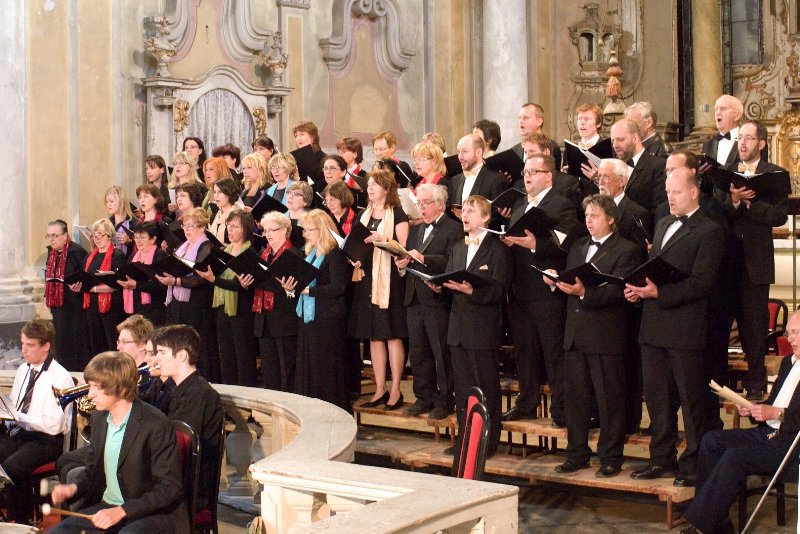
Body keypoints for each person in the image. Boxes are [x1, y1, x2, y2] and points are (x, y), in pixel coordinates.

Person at [624, 167, 725, 487]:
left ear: (694, 193)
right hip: (653, 326)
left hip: (685, 329)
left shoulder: (709, 230)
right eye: (668, 192)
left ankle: (694, 464)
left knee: (691, 402)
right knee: (657, 400)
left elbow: (702, 284)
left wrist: (659, 293)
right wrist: (638, 289)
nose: (670, 197)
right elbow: (655, 270)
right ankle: (661, 459)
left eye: (676, 192)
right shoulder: (663, 223)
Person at [680, 311, 800, 534]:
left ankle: (701, 526)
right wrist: (753, 409)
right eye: (788, 333)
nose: (789, 339)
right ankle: (717, 524)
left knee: (734, 457)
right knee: (711, 441)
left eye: (795, 333)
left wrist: (775, 413)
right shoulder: (788, 363)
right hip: (766, 433)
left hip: (789, 444)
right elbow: (773, 404)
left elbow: (785, 413)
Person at [547, 195, 639, 477]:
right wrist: (555, 281)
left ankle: (611, 456)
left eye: (595, 216)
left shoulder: (627, 250)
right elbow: (571, 283)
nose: (588, 221)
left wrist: (584, 292)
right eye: (586, 215)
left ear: (611, 219)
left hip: (605, 336)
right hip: (575, 335)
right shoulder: (578, 247)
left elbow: (619, 292)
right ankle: (576, 453)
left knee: (609, 401)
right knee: (575, 401)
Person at [49, 351, 189, 533]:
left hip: (151, 513)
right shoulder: (99, 418)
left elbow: (169, 488)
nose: (90, 394)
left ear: (121, 389)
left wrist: (122, 510)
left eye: (97, 387)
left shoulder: (156, 424)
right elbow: (93, 471)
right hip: (110, 508)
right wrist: (73, 488)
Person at [500, 154, 579, 426]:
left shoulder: (561, 204)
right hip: (520, 290)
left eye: (533, 172)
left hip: (547, 291)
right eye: (525, 172)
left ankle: (561, 409)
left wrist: (535, 245)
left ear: (548, 176)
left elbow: (566, 244)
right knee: (525, 352)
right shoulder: (520, 205)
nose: (527, 177)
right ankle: (527, 403)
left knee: (553, 351)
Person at [431, 195, 511, 455]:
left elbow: (500, 291)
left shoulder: (498, 250)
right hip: (457, 329)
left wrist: (471, 291)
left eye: (471, 211)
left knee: (486, 388)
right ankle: (466, 441)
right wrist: (439, 288)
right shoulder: (458, 247)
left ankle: (488, 441)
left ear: (485, 217)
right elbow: (451, 285)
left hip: (482, 329)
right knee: (463, 390)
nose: (464, 215)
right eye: (463, 210)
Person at [719, 120, 789, 400]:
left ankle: (756, 383)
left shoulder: (774, 174)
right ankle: (720, 382)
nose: (743, 143)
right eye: (740, 138)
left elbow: (779, 215)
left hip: (755, 263)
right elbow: (716, 212)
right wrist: (734, 200)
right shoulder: (726, 173)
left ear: (761, 143)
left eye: (749, 138)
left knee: (754, 326)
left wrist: (749, 203)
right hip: (726, 261)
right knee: (722, 323)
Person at [395, 183, 463, 419]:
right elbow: (409, 257)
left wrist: (424, 258)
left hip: (437, 298)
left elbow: (452, 261)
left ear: (440, 204)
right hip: (414, 297)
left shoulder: (453, 228)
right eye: (419, 204)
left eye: (425, 203)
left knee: (440, 352)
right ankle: (423, 396)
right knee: (418, 351)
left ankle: (445, 399)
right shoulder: (416, 230)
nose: (421, 208)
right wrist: (402, 264)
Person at [0, 319, 73, 523]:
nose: (23, 350)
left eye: (30, 345)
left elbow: (54, 425)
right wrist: (6, 413)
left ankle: (21, 522)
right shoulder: (23, 369)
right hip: (20, 433)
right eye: (22, 344)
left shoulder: (60, 376)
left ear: (46, 346)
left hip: (46, 440)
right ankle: (10, 519)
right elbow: (15, 403)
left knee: (12, 467)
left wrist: (17, 416)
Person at [349, 171, 410, 410]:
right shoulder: (363, 214)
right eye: (369, 185)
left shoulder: (398, 214)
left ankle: (395, 390)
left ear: (386, 188)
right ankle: (380, 388)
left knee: (392, 334)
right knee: (374, 336)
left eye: (375, 185)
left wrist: (382, 238)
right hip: (368, 279)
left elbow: (403, 250)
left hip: (390, 280)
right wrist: (354, 256)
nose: (370, 188)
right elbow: (357, 242)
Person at [152, 324, 224, 515]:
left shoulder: (198, 393)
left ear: (182, 355)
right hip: (174, 478)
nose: (156, 359)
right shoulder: (179, 389)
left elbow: (179, 448)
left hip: (189, 490)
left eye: (162, 352)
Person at [293, 209, 351, 410]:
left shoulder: (334, 253)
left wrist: (308, 290)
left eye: (310, 230)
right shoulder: (310, 254)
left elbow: (338, 287)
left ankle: (331, 410)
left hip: (328, 318)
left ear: (323, 229)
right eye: (305, 230)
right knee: (309, 366)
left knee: (324, 368)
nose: (306, 234)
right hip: (310, 318)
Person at [196, 209, 258, 387]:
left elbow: (240, 285)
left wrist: (213, 280)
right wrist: (210, 276)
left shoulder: (250, 253)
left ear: (245, 229)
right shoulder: (225, 251)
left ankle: (247, 396)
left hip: (241, 311)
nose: (229, 230)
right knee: (226, 356)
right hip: (223, 309)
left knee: (243, 357)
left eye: (235, 227)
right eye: (228, 226)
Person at [157, 207, 219, 383]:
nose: (187, 229)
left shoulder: (207, 246)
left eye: (191, 226)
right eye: (185, 226)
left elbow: (201, 278)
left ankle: (201, 381)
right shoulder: (182, 247)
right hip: (179, 303)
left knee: (196, 345)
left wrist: (176, 281)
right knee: (179, 342)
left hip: (197, 304)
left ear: (202, 227)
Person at [248, 212, 302, 392]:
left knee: (287, 368)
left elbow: (299, 289)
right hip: (264, 319)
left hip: (285, 319)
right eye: (265, 231)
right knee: (269, 369)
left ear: (285, 230)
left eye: (272, 230)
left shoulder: (294, 255)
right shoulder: (263, 254)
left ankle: (290, 404)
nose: (268, 234)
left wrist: (289, 289)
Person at [71, 218, 127, 356]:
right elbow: (84, 279)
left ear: (109, 235)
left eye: (100, 235)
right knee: (96, 344)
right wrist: (78, 286)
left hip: (111, 308)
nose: (97, 239)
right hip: (91, 308)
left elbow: (117, 284)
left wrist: (92, 289)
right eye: (94, 236)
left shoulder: (117, 256)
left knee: (111, 342)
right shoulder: (90, 256)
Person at [44, 219, 91, 371]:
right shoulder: (51, 253)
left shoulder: (77, 252)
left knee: (76, 345)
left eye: (55, 235)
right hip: (58, 307)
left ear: (65, 236)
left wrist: (79, 285)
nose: (51, 239)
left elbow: (87, 278)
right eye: (49, 235)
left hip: (75, 308)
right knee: (60, 344)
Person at [609, 118, 667, 216]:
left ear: (635, 138)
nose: (615, 145)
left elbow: (659, 210)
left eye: (620, 139)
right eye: (613, 141)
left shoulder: (658, 166)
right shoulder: (614, 167)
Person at [447, 134, 507, 223]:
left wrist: (473, 219)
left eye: (464, 151)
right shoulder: (455, 180)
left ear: (478, 152)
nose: (459, 157)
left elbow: (500, 218)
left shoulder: (496, 179)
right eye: (459, 152)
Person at [515, 133, 581, 212]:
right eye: (525, 152)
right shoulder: (519, 185)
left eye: (531, 151)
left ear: (546, 152)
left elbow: (570, 214)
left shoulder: (567, 183)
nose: (527, 157)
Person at [118, 222, 168, 325]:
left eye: (142, 237)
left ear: (153, 239)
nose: (138, 241)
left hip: (154, 307)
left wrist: (137, 285)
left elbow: (161, 284)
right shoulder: (132, 256)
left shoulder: (160, 255)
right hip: (135, 306)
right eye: (136, 237)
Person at [511, 102, 562, 167]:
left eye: (525, 117)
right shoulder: (514, 150)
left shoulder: (552, 147)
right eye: (519, 118)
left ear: (539, 122)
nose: (521, 121)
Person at [208, 177, 241, 245]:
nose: (216, 196)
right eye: (215, 192)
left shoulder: (238, 216)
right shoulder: (216, 215)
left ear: (229, 193)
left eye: (220, 192)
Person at [105, 185, 134, 257]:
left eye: (111, 201)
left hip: (126, 260)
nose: (108, 204)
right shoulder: (107, 223)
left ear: (121, 201)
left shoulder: (134, 222)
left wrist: (129, 241)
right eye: (107, 202)